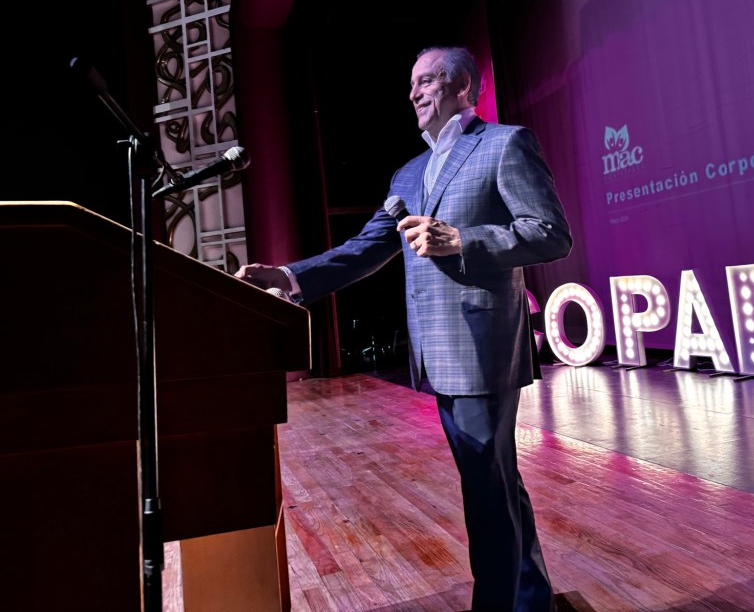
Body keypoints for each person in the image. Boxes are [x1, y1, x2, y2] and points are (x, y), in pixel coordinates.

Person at [236, 45, 572, 611]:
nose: (414, 93)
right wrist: (290, 276)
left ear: (463, 86)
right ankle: (531, 598)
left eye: (427, 81)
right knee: (495, 480)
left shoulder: (504, 144)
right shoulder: (409, 172)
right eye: (412, 84)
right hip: (439, 352)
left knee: (486, 488)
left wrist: (464, 240)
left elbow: (551, 232)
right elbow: (366, 248)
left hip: (483, 349)